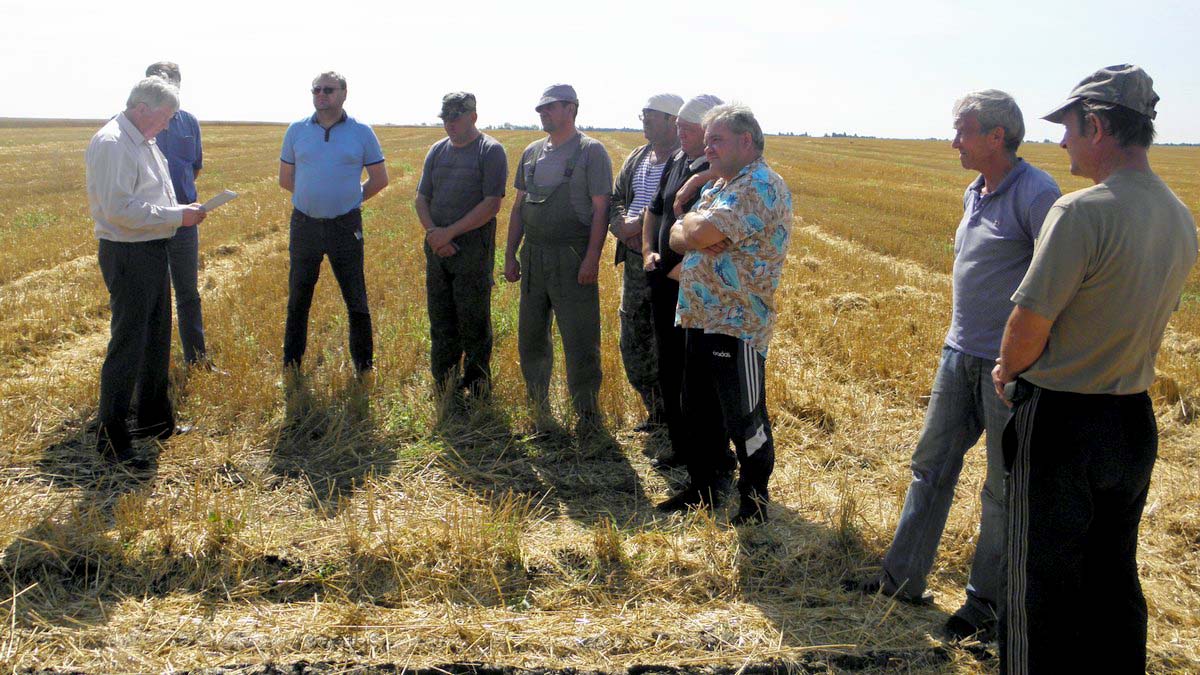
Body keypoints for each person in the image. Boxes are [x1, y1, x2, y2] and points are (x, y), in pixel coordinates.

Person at [992, 65, 1197, 674]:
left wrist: (1006, 373)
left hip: (1061, 421)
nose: (1062, 142)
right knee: (1112, 574)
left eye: (1070, 128)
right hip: (1133, 421)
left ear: (1099, 125)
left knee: (1036, 583)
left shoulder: (1081, 212)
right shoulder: (1180, 215)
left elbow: (1029, 324)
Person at [850, 91, 1061, 643]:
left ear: (997, 135)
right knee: (930, 467)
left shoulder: (1038, 194)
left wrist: (1021, 365)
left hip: (1007, 369)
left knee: (1001, 488)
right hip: (958, 354)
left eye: (963, 131)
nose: (953, 142)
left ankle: (985, 608)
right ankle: (900, 581)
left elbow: (1057, 285)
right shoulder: (976, 190)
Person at [660, 103, 793, 524]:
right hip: (701, 314)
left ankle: (753, 503)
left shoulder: (759, 185)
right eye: (707, 140)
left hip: (737, 322)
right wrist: (694, 231)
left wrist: (695, 231)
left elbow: (694, 231)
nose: (707, 147)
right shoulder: (722, 185)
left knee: (744, 415)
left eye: (716, 139)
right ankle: (704, 490)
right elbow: (679, 236)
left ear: (745, 141)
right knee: (697, 409)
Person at [85, 77, 207, 464]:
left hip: (152, 247)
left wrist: (180, 215)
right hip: (127, 254)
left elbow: (154, 196)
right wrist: (178, 216)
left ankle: (155, 422)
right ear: (142, 109)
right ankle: (112, 441)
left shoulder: (144, 140)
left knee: (157, 339)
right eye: (166, 116)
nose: (169, 124)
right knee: (128, 347)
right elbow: (118, 209)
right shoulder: (112, 144)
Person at [504, 84, 613, 435]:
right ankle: (538, 407)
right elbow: (518, 207)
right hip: (534, 254)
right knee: (531, 336)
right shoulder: (533, 152)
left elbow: (601, 210)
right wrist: (510, 253)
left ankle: (587, 413)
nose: (542, 113)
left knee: (580, 338)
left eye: (550, 107)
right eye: (540, 109)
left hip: (572, 254)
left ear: (571, 108)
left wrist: (592, 259)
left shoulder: (590, 152)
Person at [279, 71, 389, 376]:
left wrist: (349, 200)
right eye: (316, 90)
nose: (321, 95)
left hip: (345, 227)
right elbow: (286, 180)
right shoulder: (296, 131)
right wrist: (313, 198)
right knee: (298, 300)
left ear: (344, 93)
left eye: (328, 89)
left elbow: (380, 180)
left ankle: (364, 368)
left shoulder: (362, 132)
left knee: (356, 299)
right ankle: (291, 366)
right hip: (305, 226)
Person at [642, 94, 724, 467]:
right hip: (664, 285)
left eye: (689, 131)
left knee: (699, 381)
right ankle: (681, 448)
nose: (682, 135)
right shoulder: (677, 161)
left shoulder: (719, 173)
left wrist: (678, 270)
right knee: (670, 369)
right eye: (680, 128)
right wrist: (648, 252)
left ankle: (710, 459)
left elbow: (717, 241)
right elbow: (654, 209)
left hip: (695, 293)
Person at [414, 92, 508, 398]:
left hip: (472, 250)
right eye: (446, 118)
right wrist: (433, 233)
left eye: (456, 118)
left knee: (474, 323)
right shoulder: (436, 151)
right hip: (437, 249)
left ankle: (478, 388)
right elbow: (421, 198)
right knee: (441, 320)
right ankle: (444, 385)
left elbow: (491, 204)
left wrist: (449, 233)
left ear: (473, 117)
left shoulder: (490, 151)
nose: (450, 124)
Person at [608, 93, 682, 430]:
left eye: (651, 116)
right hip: (636, 261)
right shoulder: (638, 157)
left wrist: (644, 228)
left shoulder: (687, 161)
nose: (644, 121)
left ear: (673, 121)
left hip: (669, 264)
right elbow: (615, 198)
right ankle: (655, 410)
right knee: (633, 333)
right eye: (643, 115)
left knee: (666, 337)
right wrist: (621, 226)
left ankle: (675, 415)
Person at [145, 61, 211, 368]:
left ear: (178, 85)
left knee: (187, 292)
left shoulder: (189, 123)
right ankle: (149, 368)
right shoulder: (137, 124)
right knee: (149, 298)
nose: (162, 86)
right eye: (155, 80)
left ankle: (197, 359)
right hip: (149, 223)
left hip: (185, 223)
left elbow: (194, 167)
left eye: (168, 80)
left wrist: (180, 204)